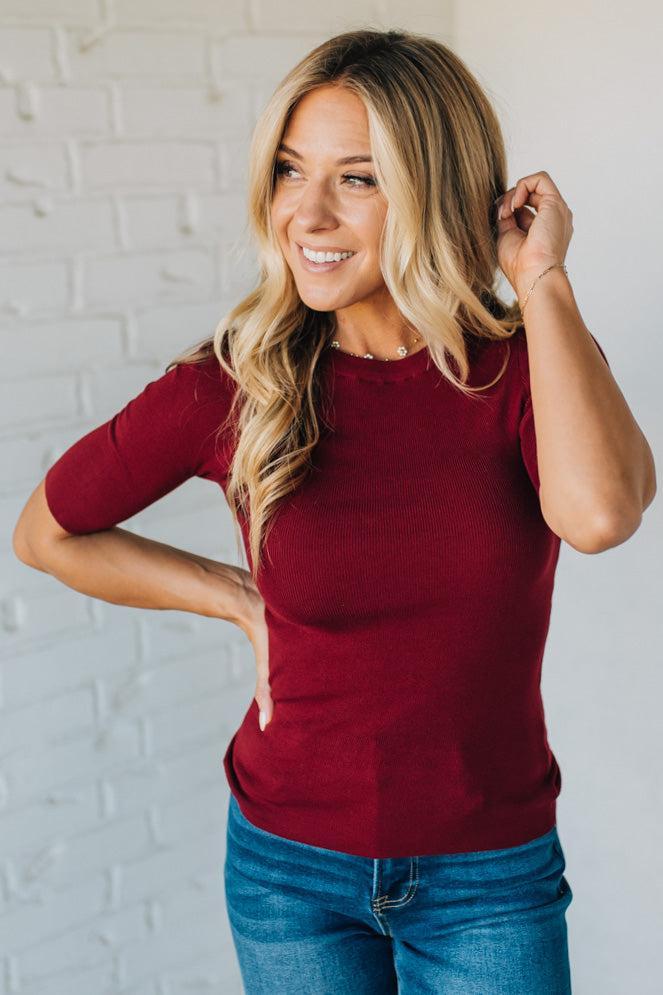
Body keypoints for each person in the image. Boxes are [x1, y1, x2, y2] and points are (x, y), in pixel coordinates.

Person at [13, 27, 655, 995]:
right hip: (288, 867)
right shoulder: (238, 380)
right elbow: (47, 531)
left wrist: (541, 279)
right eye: (288, 169)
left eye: (358, 177)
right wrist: (235, 597)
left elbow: (601, 514)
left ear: (436, 188)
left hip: (489, 873)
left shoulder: (524, 363)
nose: (303, 212)